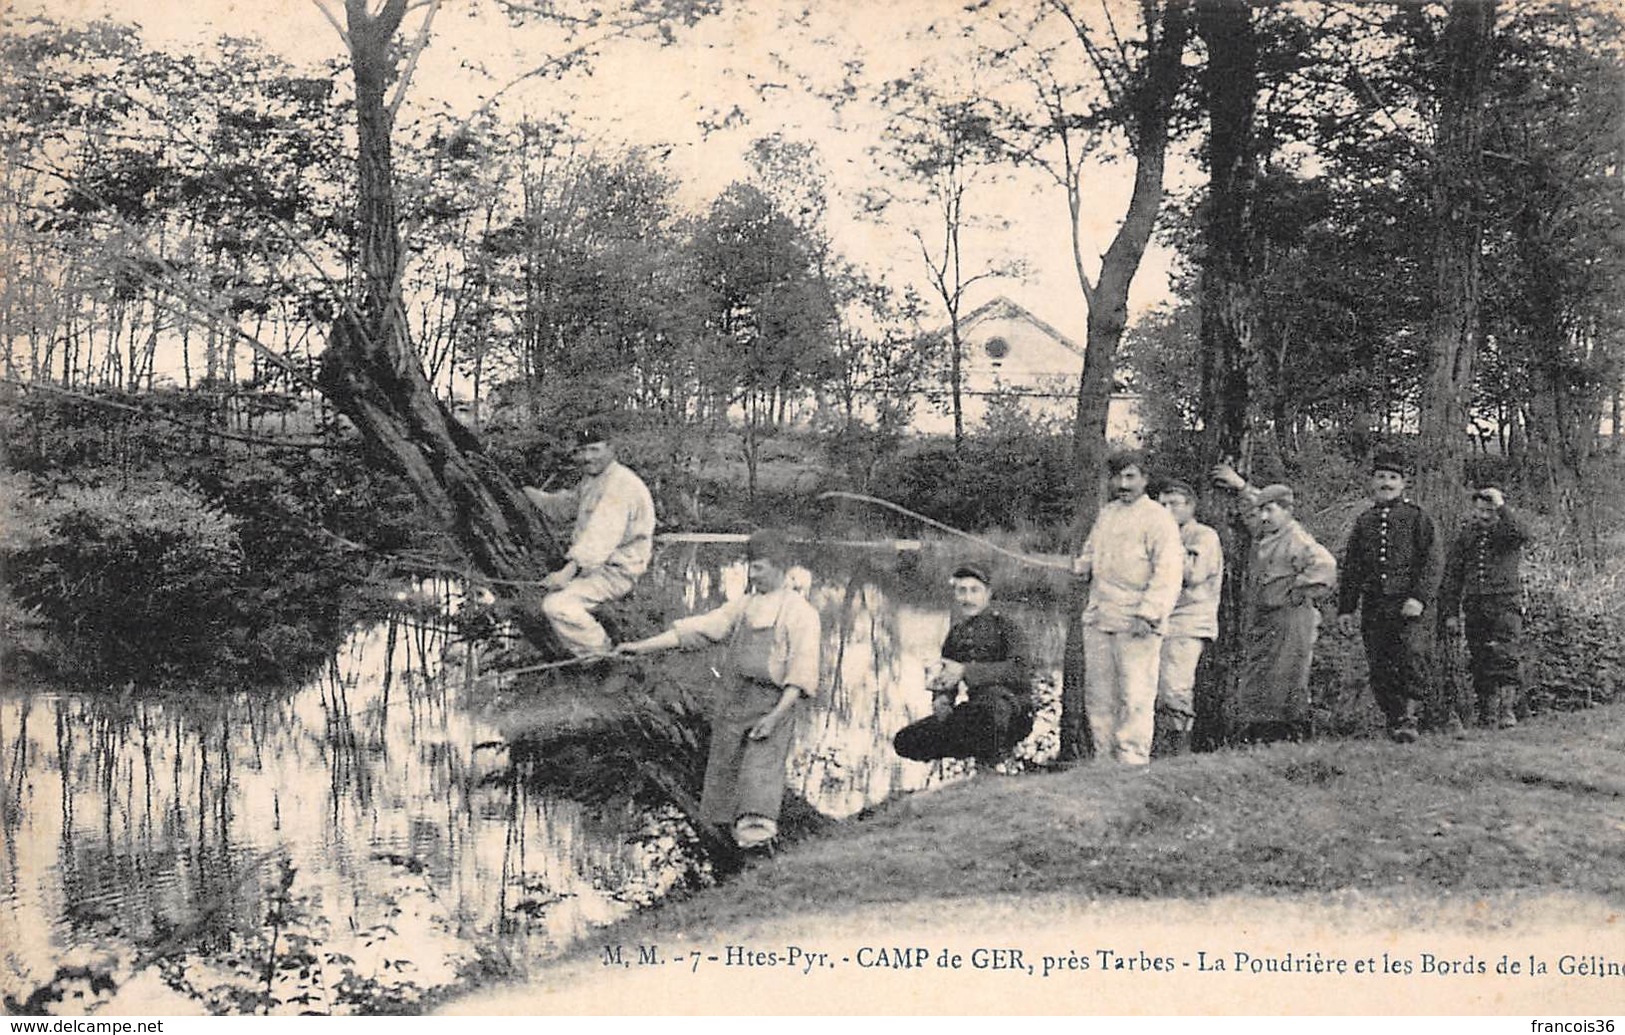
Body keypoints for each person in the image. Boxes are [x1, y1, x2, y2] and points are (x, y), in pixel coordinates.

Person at [614, 530, 820, 849]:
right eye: (750, 566)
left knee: (758, 786)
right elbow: (699, 630)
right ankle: (728, 856)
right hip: (735, 703)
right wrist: (639, 648)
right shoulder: (744, 606)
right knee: (723, 786)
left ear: (781, 567)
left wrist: (776, 716)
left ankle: (759, 857)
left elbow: (801, 673)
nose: (753, 574)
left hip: (772, 706)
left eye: (760, 567)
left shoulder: (801, 613)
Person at [1071, 450, 1185, 765]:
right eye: (1118, 477)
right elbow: (1092, 551)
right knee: (1099, 696)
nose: (1123, 484)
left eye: (1131, 476)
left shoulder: (1159, 519)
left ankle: (1132, 760)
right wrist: (1083, 566)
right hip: (1100, 617)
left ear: (1145, 480)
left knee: (1135, 695)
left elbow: (1169, 572)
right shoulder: (1107, 514)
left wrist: (1148, 614)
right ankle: (1104, 760)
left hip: (1137, 622)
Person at [1210, 467, 1337, 743]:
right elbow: (1253, 509)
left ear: (1287, 511)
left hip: (1291, 618)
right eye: (1263, 511)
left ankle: (1285, 738)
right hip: (1266, 618)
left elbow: (1326, 567)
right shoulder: (1269, 532)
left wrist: (1298, 588)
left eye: (1272, 510)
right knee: (1262, 677)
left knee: (1286, 678)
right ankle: (1261, 736)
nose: (1264, 516)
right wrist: (1241, 486)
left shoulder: (1296, 538)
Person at [523, 421, 655, 657]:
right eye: (582, 451)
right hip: (595, 567)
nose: (586, 457)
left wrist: (566, 573)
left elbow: (599, 538)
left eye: (594, 449)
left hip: (616, 571)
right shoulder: (594, 480)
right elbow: (564, 508)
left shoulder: (620, 485)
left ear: (611, 449)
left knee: (557, 606)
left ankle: (604, 657)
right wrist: (527, 494)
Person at [1335, 449, 1441, 744]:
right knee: (1380, 663)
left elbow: (1433, 562)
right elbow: (1353, 567)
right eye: (1381, 477)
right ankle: (1394, 719)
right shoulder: (1365, 521)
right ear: (1372, 482)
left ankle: (1409, 719)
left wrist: (1419, 598)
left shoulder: (1417, 517)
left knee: (1410, 657)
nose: (1386, 483)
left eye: (1393, 478)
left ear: (1403, 484)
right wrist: (1346, 608)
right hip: (1375, 605)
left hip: (1407, 605)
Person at [893, 562, 1033, 768]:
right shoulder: (956, 634)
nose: (968, 598)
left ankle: (994, 767)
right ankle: (984, 764)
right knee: (906, 740)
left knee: (989, 712)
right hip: (976, 713)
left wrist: (967, 671)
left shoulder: (1007, 627)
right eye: (962, 591)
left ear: (988, 594)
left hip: (1014, 712)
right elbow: (947, 677)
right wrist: (942, 699)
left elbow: (1020, 670)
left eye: (975, 591)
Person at [1440, 485, 1531, 730]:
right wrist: (1450, 612)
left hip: (1504, 604)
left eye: (1489, 510)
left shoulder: (1508, 532)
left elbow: (1521, 532)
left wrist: (1501, 505)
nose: (1484, 516)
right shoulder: (1466, 536)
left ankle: (1507, 711)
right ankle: (1487, 713)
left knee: (1505, 655)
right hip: (1475, 605)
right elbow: (1452, 577)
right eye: (1480, 510)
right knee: (1479, 657)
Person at [1151, 480, 1223, 757]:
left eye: (1173, 504)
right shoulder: (1162, 535)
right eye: (1162, 504)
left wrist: (1169, 542)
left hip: (1189, 622)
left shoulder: (1203, 536)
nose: (1166, 510)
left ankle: (1177, 754)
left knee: (1175, 688)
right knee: (1156, 689)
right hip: (1160, 622)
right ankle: (1158, 753)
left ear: (1190, 507)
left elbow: (1192, 574)